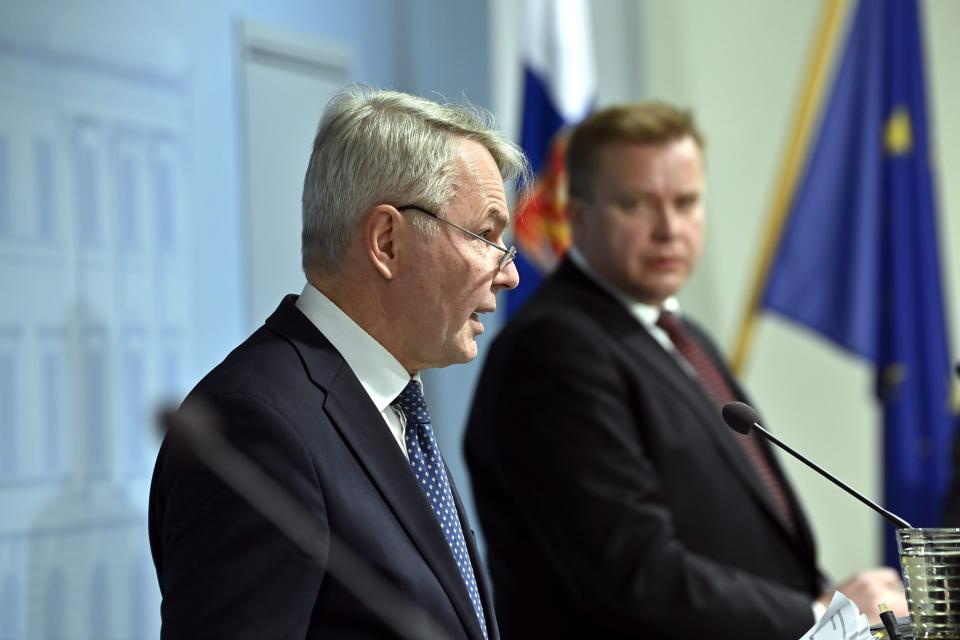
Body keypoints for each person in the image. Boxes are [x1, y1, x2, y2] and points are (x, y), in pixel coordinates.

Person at [464, 101, 907, 639]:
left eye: (686, 201)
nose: (668, 228)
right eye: (637, 204)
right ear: (576, 214)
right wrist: (821, 615)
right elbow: (633, 575)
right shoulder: (554, 349)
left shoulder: (682, 335)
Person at [149, 85, 528, 639]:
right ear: (387, 241)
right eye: (486, 235)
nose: (509, 272)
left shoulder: (392, 404)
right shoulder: (256, 427)